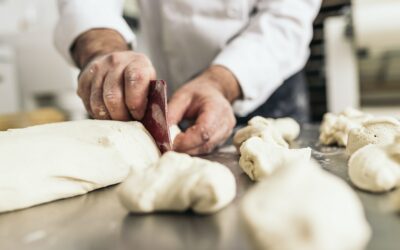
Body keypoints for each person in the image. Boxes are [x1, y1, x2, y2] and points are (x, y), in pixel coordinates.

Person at [55, 0, 321, 155]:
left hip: (261, 81)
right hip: (163, 97)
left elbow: (286, 16)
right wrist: (104, 50)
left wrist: (220, 82)